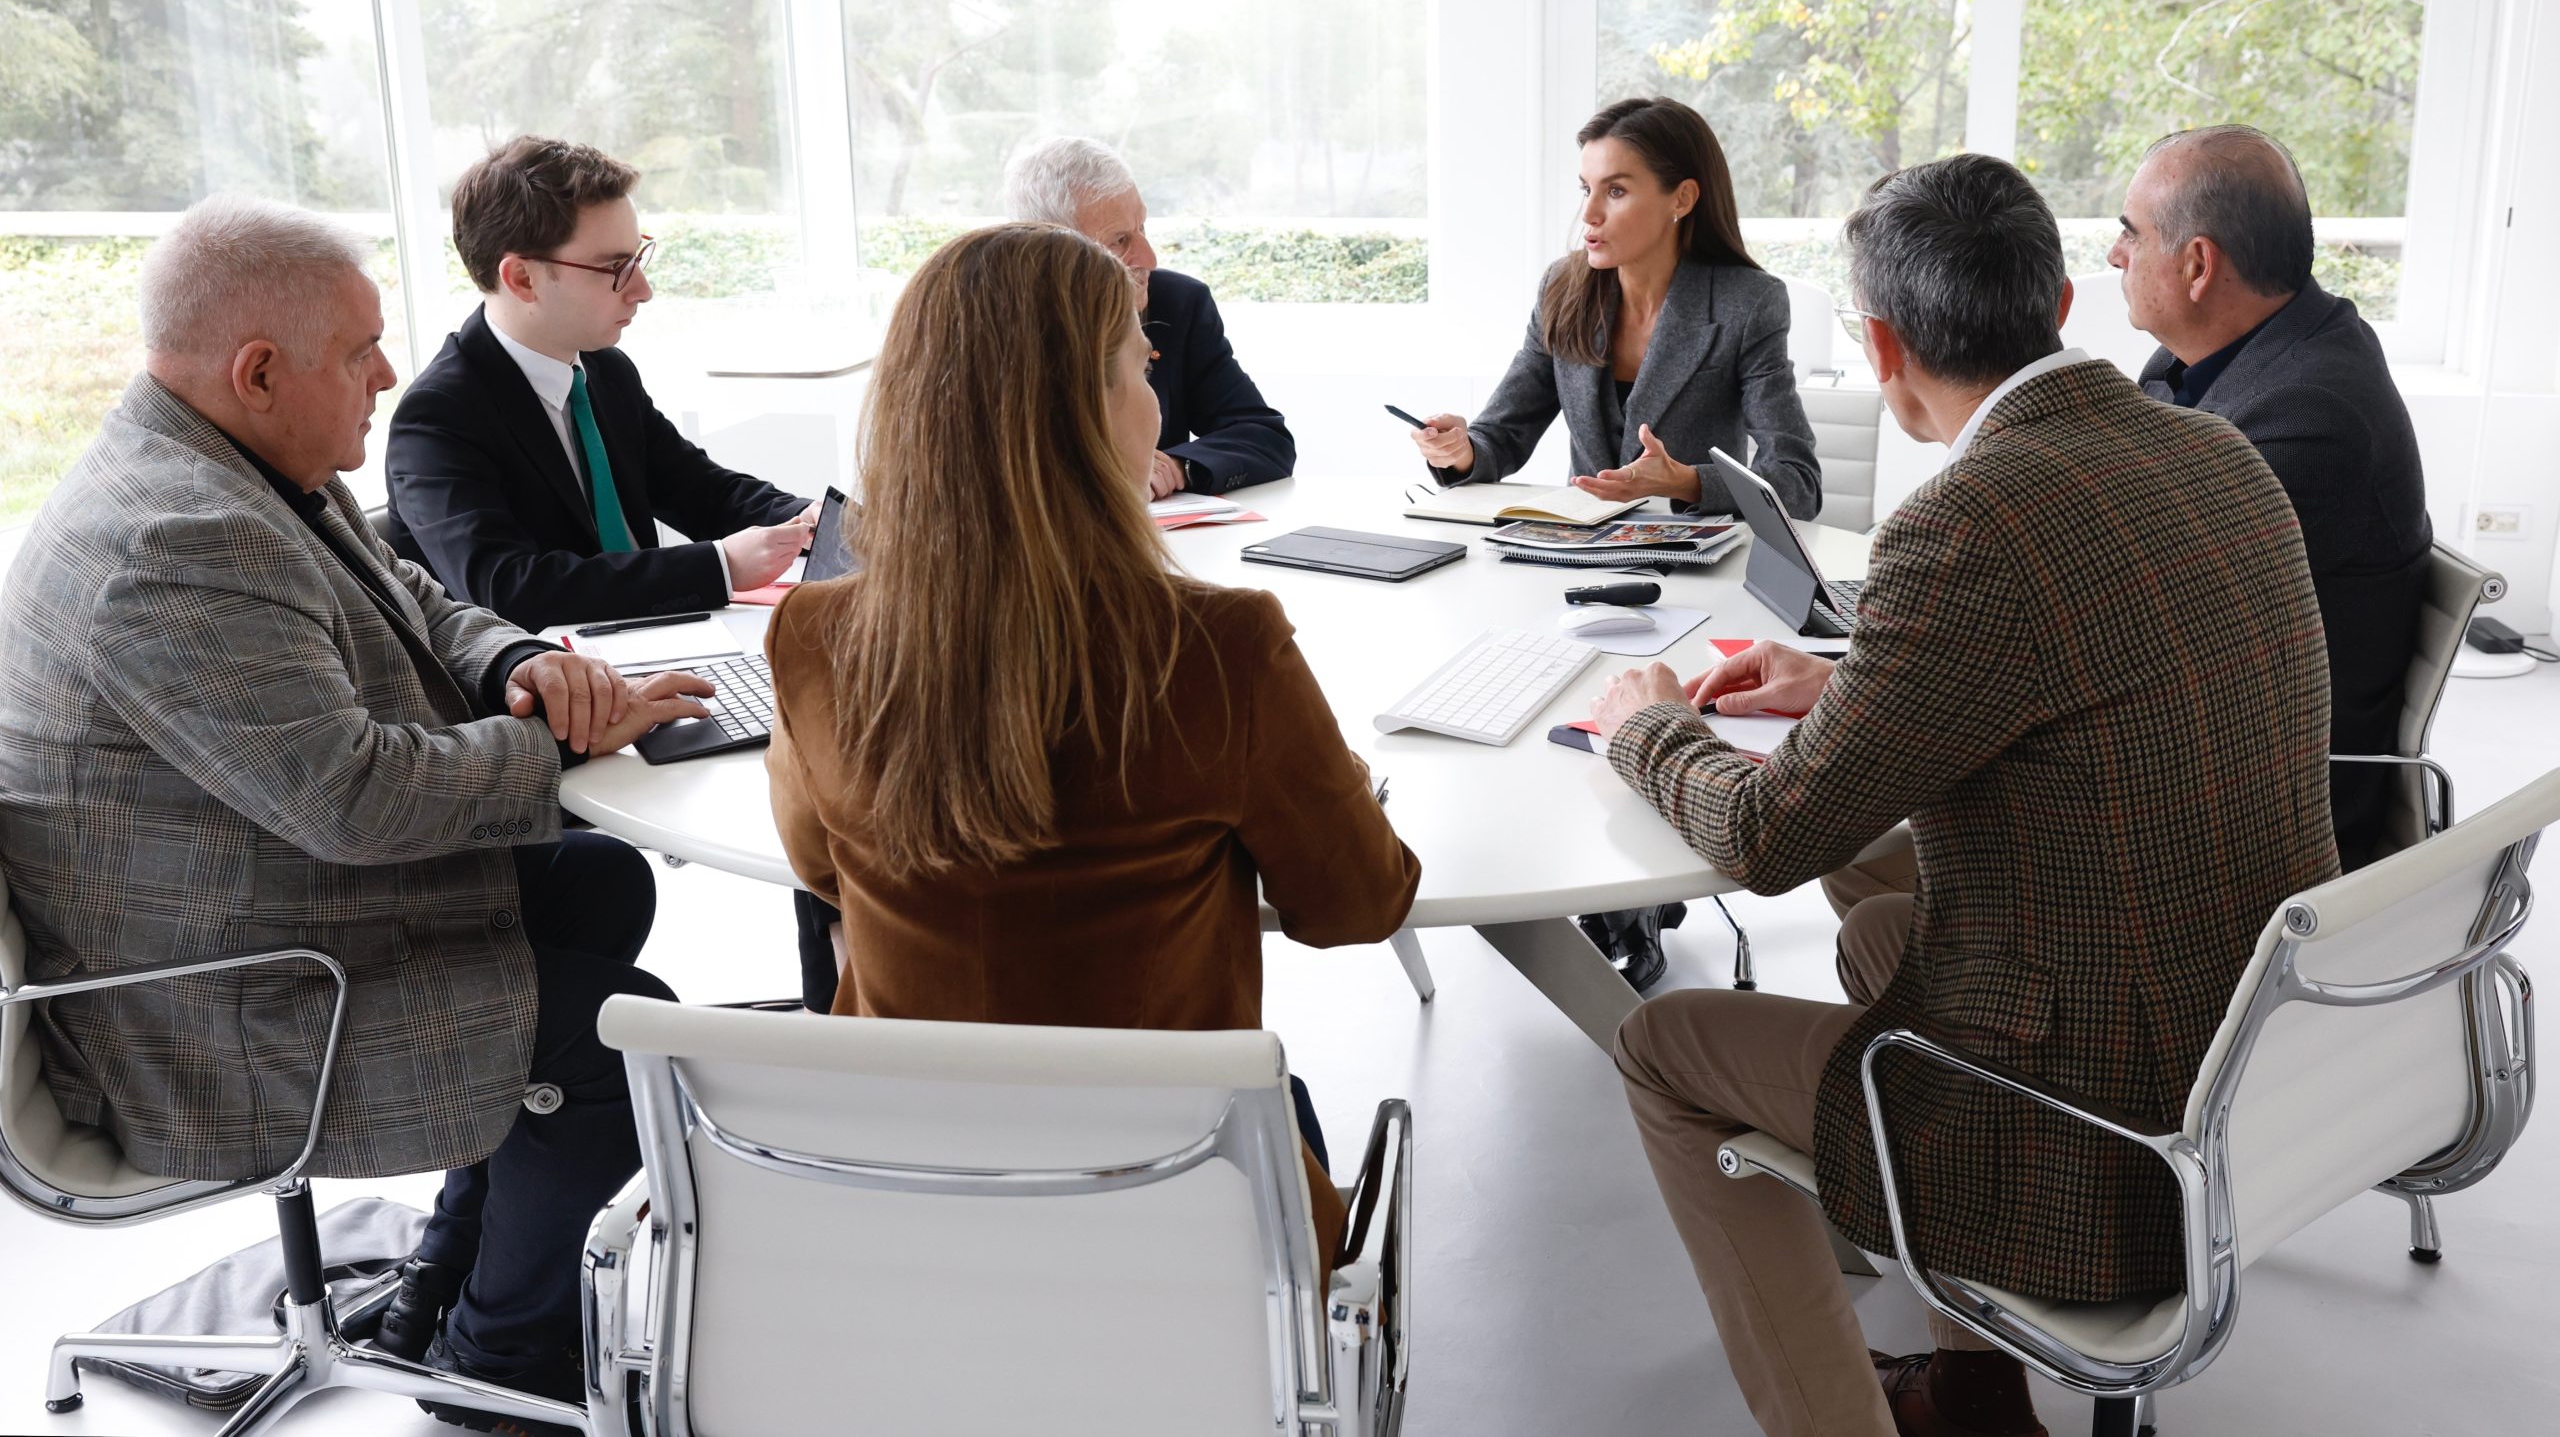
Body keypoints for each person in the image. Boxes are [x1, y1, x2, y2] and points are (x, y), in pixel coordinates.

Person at [1586, 153, 2337, 1437]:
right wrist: (1848, 674)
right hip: (2257, 1076)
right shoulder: (2214, 452)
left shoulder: (1973, 517)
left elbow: (1768, 839)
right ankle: (1978, 1396)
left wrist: (1647, 728)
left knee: (1661, 1045)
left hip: (2101, 1151)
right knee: (1886, 929)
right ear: (2053, 300)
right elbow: (2070, 648)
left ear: (1882, 344)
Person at [0, 197, 713, 1430]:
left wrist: (515, 667)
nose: (390, 374)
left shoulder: (238, 460)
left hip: (251, 905)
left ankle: (439, 1286)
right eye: (360, 351)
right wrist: (552, 736)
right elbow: (354, 794)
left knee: (598, 879)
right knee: (620, 1042)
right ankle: (502, 1370)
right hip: (208, 1008)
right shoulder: (175, 540)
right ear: (259, 369)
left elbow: (420, 597)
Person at [761, 221, 1418, 1267]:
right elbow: (1356, 907)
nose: (1155, 399)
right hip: (1178, 1213)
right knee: (1271, 1090)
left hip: (902, 1199)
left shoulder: (812, 635)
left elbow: (817, 867)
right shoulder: (1223, 648)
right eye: (1139, 367)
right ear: (1088, 409)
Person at [1411, 95, 1823, 989]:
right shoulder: (1567, 288)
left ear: (1681, 198)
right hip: (1574, 565)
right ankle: (1585, 885)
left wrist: (1684, 483)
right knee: (1506, 701)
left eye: (1617, 191)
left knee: (1618, 705)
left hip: (1691, 578)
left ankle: (1624, 909)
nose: (1590, 216)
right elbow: (1505, 433)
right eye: (1586, 190)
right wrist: (1460, 449)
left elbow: (1796, 480)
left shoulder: (1748, 304)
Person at [2112, 124, 2430, 869]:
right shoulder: (2216, 356)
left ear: (2198, 264)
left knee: (1893, 858)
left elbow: (2124, 626)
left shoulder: (2307, 422)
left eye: (2131, 233)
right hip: (2203, 754)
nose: (2115, 254)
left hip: (2250, 831)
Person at [385, 135, 815, 638]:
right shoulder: (438, 417)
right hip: (552, 691)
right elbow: (509, 589)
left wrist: (812, 521)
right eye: (615, 268)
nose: (642, 290)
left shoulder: (606, 370)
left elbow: (699, 489)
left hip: (658, 647)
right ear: (522, 278)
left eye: (637, 259)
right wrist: (720, 565)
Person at [1001, 134, 1296, 497]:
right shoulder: (988, 323)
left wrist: (1177, 466)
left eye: (1142, 228)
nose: (1149, 259)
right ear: (1050, 250)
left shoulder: (1179, 304)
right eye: (1119, 241)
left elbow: (1263, 436)